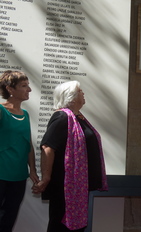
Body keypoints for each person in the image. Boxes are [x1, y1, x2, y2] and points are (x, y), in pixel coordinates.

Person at [32, 81, 108, 232]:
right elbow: (48, 147)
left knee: (76, 227)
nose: (83, 93)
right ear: (71, 98)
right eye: (80, 91)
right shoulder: (62, 117)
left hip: (79, 185)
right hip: (65, 185)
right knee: (59, 225)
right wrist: (46, 178)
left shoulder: (79, 118)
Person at [0, 70, 39, 232]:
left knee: (9, 218)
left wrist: (33, 171)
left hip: (19, 177)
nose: (29, 90)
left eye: (28, 86)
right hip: (1, 174)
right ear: (10, 89)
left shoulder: (26, 114)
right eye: (24, 86)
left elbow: (28, 144)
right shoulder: (1, 111)